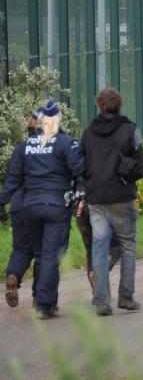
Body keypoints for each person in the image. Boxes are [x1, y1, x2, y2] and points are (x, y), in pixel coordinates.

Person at [0, 101, 84, 319]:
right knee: (50, 256)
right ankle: (44, 305)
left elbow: (12, 179)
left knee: (39, 253)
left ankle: (41, 297)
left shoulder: (25, 147)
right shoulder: (66, 143)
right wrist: (81, 192)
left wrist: (2, 202)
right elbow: (79, 172)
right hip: (56, 205)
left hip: (30, 206)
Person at [80, 88, 143, 316]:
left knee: (99, 248)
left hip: (95, 198)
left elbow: (81, 166)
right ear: (119, 105)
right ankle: (126, 297)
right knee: (127, 246)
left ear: (99, 106)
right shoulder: (130, 130)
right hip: (121, 195)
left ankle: (101, 300)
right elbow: (140, 163)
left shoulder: (88, 133)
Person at [2, 113, 39, 308]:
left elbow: (11, 179)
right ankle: (40, 296)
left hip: (18, 204)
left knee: (21, 249)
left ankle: (13, 275)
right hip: (39, 202)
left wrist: (3, 202)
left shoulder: (20, 149)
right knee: (44, 250)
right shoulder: (49, 147)